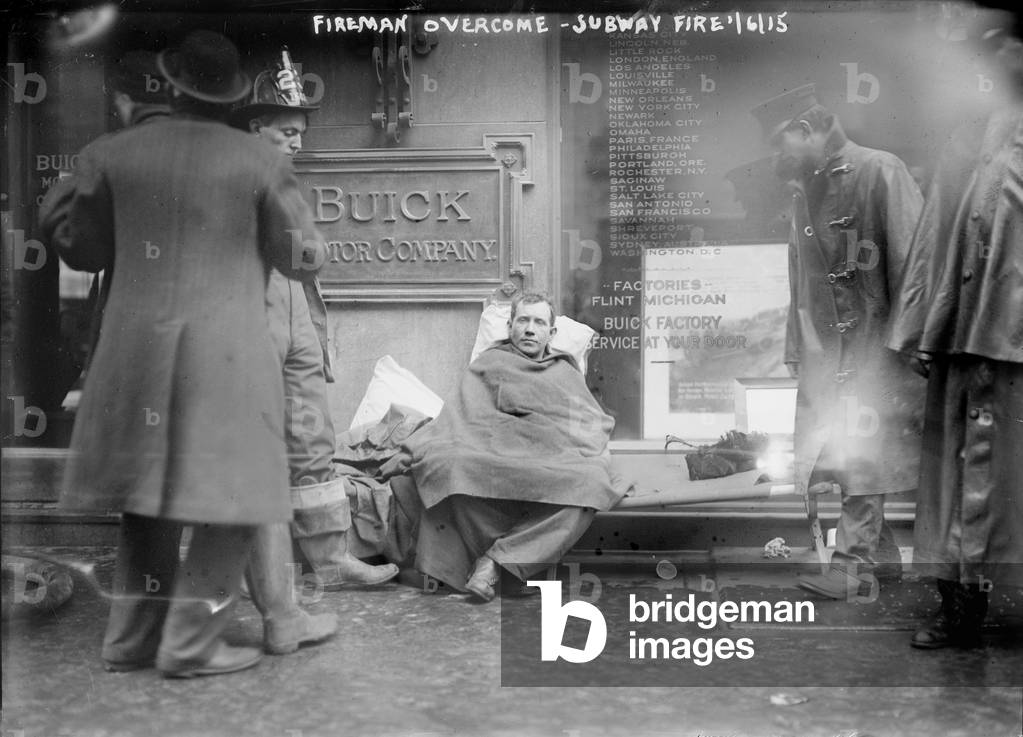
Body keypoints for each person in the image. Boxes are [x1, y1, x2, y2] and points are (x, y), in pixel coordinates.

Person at [55, 30, 328, 677]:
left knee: (146, 496)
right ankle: (191, 642)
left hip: (132, 358)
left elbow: (76, 246)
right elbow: (301, 255)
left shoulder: (110, 154)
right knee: (235, 496)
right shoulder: (257, 162)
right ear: (230, 96)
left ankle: (130, 637)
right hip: (225, 359)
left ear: (171, 88)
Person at [230, 50, 399, 595]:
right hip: (254, 308)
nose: (298, 141)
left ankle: (330, 559)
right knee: (261, 441)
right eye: (286, 131)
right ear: (256, 128)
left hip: (293, 302)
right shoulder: (240, 175)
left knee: (310, 431)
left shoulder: (277, 175)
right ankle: (267, 574)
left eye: (300, 131)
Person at [750, 84, 926, 600]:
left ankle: (852, 569)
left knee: (862, 453)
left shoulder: (881, 170)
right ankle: (884, 560)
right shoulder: (806, 189)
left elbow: (916, 266)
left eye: (782, 142)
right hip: (829, 351)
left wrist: (910, 344)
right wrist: (793, 345)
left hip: (880, 345)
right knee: (837, 453)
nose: (778, 155)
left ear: (806, 130)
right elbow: (799, 280)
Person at [887, 16, 1023, 648]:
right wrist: (922, 327)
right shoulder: (968, 134)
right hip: (964, 336)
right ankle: (957, 610)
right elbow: (935, 232)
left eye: (1006, 46)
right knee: (951, 487)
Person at [382, 292, 626, 602]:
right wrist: (414, 450)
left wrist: (559, 441)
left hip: (547, 460)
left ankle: (494, 562)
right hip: (492, 457)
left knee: (592, 483)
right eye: (523, 320)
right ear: (510, 325)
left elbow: (590, 423)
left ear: (551, 333)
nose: (529, 329)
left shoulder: (565, 372)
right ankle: (498, 564)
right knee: (448, 465)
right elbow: (459, 416)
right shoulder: (488, 364)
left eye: (539, 322)